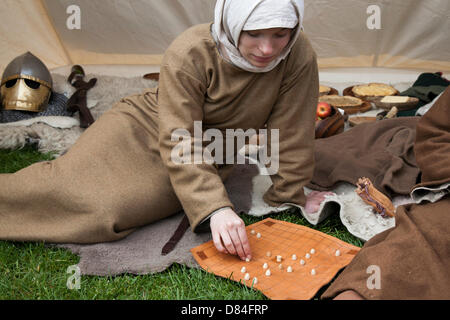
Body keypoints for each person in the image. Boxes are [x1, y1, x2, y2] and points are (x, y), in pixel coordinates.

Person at [0, 0, 331, 262]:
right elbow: (179, 136)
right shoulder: (191, 51)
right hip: (145, 127)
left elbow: (292, 128)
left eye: (279, 34)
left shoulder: (297, 54)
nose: (267, 49)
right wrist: (216, 209)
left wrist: (291, 194)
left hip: (207, 153)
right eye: (254, 34)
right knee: (64, 180)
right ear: (233, 22)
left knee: (108, 211)